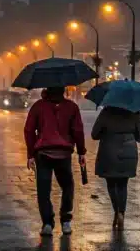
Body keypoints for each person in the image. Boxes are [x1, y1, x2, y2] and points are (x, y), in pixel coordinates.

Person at [24, 86, 86, 237]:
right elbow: (77, 131)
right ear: (63, 90)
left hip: (43, 154)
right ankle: (65, 220)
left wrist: (30, 154)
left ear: (46, 90)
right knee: (67, 186)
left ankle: (47, 223)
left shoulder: (38, 106)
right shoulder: (72, 107)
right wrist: (81, 152)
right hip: (63, 154)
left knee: (43, 189)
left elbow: (29, 130)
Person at [91, 106, 140, 231]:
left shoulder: (106, 112)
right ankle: (122, 213)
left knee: (111, 184)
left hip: (108, 151)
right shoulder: (134, 112)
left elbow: (94, 134)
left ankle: (116, 211)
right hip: (128, 152)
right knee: (123, 184)